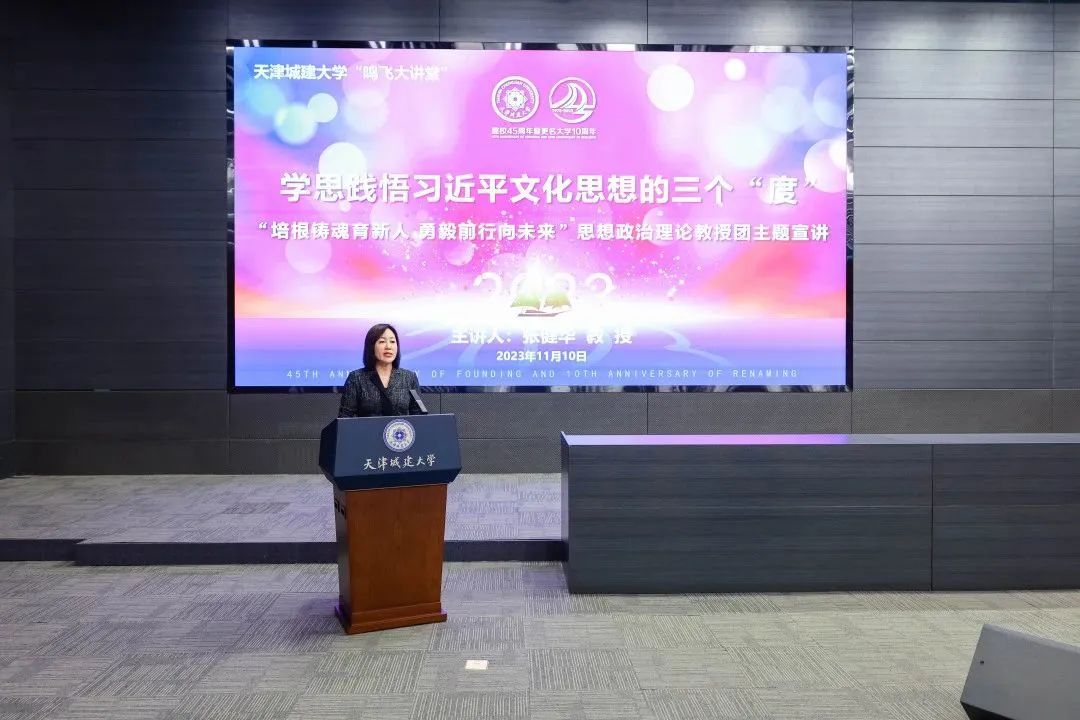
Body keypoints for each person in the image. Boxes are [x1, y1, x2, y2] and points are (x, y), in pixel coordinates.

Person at [338, 323, 424, 417]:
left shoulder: (409, 378)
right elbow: (344, 417)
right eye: (382, 341)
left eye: (392, 341)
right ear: (371, 347)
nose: (388, 347)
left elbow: (419, 416)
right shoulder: (356, 378)